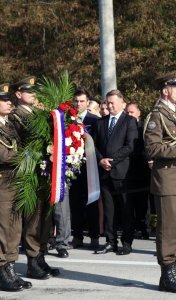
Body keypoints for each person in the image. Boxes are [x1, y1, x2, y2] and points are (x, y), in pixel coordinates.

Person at [144, 70, 176, 293]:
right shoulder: (157, 115)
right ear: (166, 90)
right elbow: (152, 148)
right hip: (166, 180)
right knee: (167, 227)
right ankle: (167, 274)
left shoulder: (174, 113)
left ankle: (173, 270)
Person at [9, 77, 59, 279]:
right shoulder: (16, 116)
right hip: (29, 173)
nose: (34, 94)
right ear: (19, 94)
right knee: (33, 219)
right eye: (29, 91)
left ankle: (40, 257)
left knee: (45, 219)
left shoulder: (38, 113)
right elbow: (24, 142)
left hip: (43, 172)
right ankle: (32, 260)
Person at [93, 89, 138, 255]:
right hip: (104, 172)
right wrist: (100, 159)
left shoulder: (129, 121)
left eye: (113, 103)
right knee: (109, 210)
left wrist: (112, 160)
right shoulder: (100, 122)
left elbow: (130, 146)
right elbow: (93, 146)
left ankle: (126, 242)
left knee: (126, 209)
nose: (110, 106)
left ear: (122, 103)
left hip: (122, 173)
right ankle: (110, 241)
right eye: (108, 103)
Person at [0, 83, 32, 291]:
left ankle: (10, 266)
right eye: (4, 100)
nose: (9, 103)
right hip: (2, 180)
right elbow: (3, 155)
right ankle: (2, 269)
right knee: (3, 227)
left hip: (14, 180)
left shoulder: (9, 124)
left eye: (9, 100)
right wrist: (26, 157)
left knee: (15, 225)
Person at [69, 88, 100, 249]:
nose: (79, 104)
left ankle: (94, 237)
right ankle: (77, 236)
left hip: (91, 166)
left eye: (82, 101)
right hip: (73, 167)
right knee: (75, 203)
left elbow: (99, 143)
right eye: (77, 101)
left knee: (92, 202)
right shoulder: (68, 119)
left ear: (88, 102)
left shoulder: (94, 120)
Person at [126, 102, 150, 240]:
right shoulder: (125, 126)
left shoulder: (143, 127)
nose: (129, 115)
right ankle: (133, 226)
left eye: (132, 112)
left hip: (142, 168)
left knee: (143, 201)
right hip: (129, 168)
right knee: (131, 201)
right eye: (127, 112)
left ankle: (144, 227)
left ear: (139, 113)